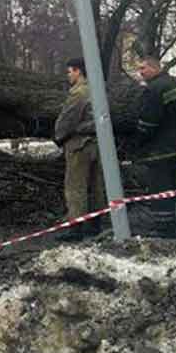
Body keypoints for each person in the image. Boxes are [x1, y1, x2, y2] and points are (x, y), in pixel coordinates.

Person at [134, 54, 176, 238]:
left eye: (143, 68)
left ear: (155, 68)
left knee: (159, 190)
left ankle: (163, 230)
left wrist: (137, 142)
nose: (140, 73)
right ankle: (169, 226)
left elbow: (148, 122)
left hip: (159, 149)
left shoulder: (154, 88)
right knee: (170, 189)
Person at [54, 58, 105, 240]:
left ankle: (75, 229)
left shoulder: (79, 93)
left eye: (69, 72)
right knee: (96, 185)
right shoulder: (96, 88)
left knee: (75, 186)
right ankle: (95, 224)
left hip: (79, 144)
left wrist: (59, 137)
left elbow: (68, 119)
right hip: (96, 144)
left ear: (78, 71)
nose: (68, 75)